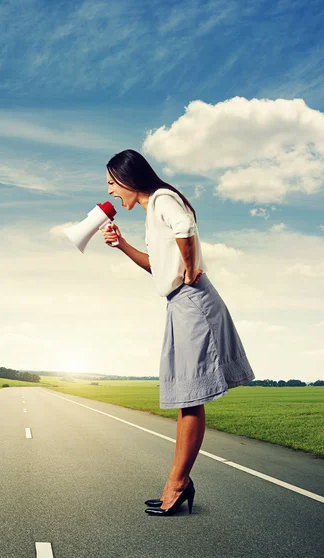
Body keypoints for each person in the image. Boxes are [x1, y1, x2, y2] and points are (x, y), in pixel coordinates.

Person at [101, 149, 254, 516]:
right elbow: (156, 266)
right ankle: (177, 482)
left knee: (190, 396)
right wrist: (122, 245)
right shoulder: (152, 211)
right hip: (178, 303)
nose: (110, 192)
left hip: (191, 301)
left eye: (111, 183)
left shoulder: (162, 200)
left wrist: (189, 268)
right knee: (187, 396)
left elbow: (185, 227)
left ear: (127, 177)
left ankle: (178, 483)